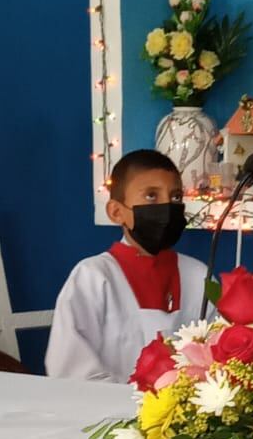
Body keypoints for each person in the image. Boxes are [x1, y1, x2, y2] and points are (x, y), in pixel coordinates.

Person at [46, 149, 208, 383]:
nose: (166, 207)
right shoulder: (93, 277)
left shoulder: (199, 275)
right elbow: (69, 365)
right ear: (116, 212)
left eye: (175, 197)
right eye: (151, 196)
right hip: (110, 415)